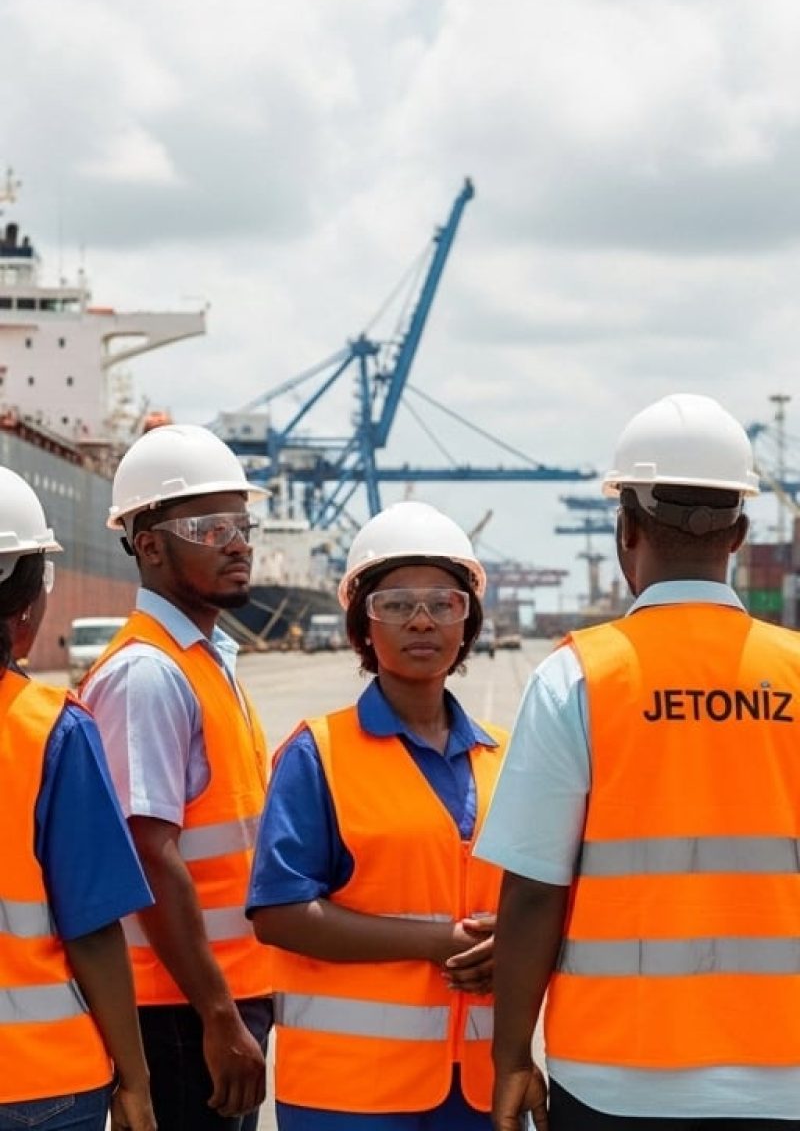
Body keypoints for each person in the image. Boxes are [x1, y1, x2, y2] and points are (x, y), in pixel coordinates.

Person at [476, 392, 800, 1130]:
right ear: (741, 533)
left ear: (625, 530)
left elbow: (532, 892)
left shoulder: (579, 677)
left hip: (616, 1073)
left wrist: (512, 1059)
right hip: (787, 1071)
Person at [248, 499, 509, 1130]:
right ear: (363, 626)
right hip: (349, 1096)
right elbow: (279, 914)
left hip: (475, 1089)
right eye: (394, 605)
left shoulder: (505, 757)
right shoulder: (319, 754)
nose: (421, 621)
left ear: (467, 621)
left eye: (443, 603)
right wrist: (437, 945)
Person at [80, 424, 273, 1131]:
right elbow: (147, 855)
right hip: (178, 1010)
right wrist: (218, 1016)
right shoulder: (147, 675)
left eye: (241, 523)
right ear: (151, 545)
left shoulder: (205, 658)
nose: (237, 541)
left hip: (216, 994)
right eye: (208, 525)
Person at [0, 466, 155, 1131]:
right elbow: (92, 928)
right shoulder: (50, 730)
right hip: (39, 1083)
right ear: (29, 601)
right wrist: (137, 1080)